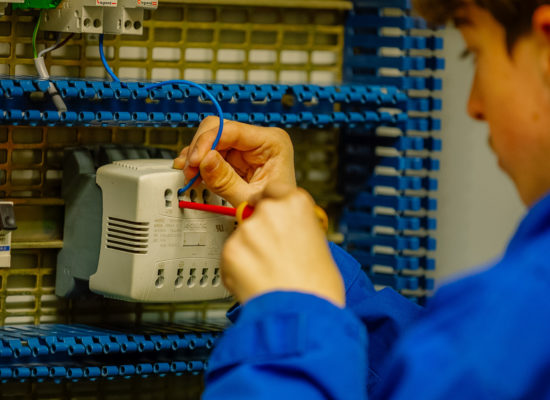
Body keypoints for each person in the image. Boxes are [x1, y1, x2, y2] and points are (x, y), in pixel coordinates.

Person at [173, 0, 550, 398]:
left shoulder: (528, 309)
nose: (474, 105)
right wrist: (307, 277)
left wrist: (289, 324)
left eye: (472, 52)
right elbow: (430, 373)